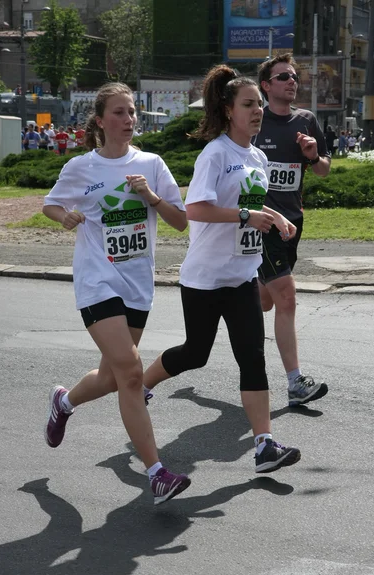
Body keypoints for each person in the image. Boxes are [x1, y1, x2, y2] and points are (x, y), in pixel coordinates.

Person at [143, 65, 301, 476]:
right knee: (196, 353)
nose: (257, 111)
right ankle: (142, 384)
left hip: (242, 275)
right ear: (229, 110)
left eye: (260, 105)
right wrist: (249, 215)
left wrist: (275, 217)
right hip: (205, 277)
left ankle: (264, 445)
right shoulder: (215, 153)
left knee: (252, 356)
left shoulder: (258, 156)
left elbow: (246, 201)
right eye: (249, 104)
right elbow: (196, 209)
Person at [42, 82, 190, 506]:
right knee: (130, 371)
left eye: (132, 113)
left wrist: (150, 195)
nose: (129, 120)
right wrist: (65, 217)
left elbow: (180, 222)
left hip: (136, 286)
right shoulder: (81, 168)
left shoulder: (152, 163)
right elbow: (51, 204)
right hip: (96, 281)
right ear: (101, 121)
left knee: (111, 378)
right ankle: (157, 473)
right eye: (120, 113)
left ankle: (64, 402)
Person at [255, 53, 330, 407]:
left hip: (293, 224)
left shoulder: (307, 120)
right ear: (267, 86)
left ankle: (228, 308)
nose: (291, 81)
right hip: (262, 223)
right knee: (286, 297)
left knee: (266, 302)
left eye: (294, 76)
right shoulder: (255, 120)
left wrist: (313, 155)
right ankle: (295, 382)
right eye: (283, 76)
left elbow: (323, 171)